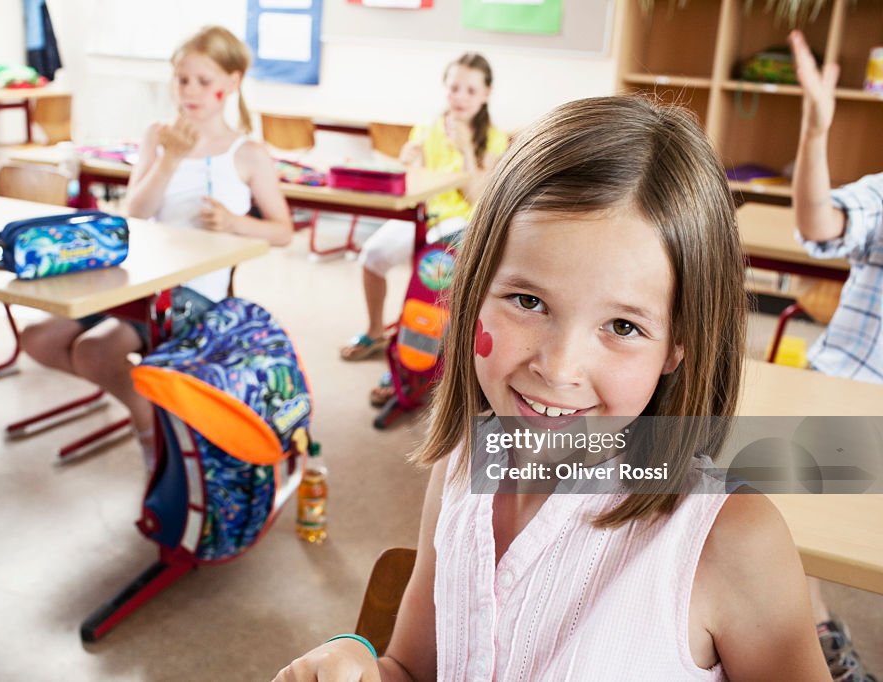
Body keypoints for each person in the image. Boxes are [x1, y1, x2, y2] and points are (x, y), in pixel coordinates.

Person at [274, 96, 830, 681]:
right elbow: (414, 667)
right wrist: (359, 663)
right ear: (471, 293)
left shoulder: (731, 539)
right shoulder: (464, 465)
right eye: (528, 301)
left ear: (678, 345)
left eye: (622, 327)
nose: (559, 367)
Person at [21, 26, 292, 471]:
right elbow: (135, 212)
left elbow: (283, 231)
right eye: (182, 79)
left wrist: (235, 223)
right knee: (38, 338)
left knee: (94, 350)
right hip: (136, 276)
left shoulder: (248, 153)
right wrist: (169, 158)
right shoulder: (157, 135)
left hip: (195, 293)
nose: (190, 91)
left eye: (204, 81)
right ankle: (143, 402)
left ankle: (148, 429)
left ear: (233, 82)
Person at [788, 29, 880, 682]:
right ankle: (818, 637)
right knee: (767, 519)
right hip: (839, 396)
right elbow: (820, 222)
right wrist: (816, 132)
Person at [339, 53, 508, 384]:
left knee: (425, 280)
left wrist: (466, 152)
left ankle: (411, 359)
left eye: (470, 91)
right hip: (422, 215)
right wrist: (409, 161)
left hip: (462, 223)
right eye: (454, 88)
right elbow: (413, 180)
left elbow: (479, 197)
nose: (459, 97)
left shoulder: (494, 138)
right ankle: (376, 332)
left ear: (486, 94)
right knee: (372, 256)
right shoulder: (428, 127)